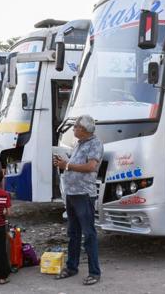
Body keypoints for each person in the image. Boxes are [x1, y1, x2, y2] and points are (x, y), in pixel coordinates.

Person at [53, 115, 102, 286]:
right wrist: (64, 163)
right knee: (73, 233)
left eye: (75, 127)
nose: (73, 129)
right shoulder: (79, 144)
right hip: (72, 194)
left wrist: (67, 165)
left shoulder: (95, 144)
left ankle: (94, 272)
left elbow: (91, 167)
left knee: (89, 234)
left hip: (84, 194)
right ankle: (72, 267)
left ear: (84, 129)